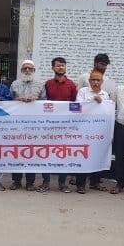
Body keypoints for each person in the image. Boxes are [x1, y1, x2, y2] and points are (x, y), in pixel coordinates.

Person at [37, 56, 78, 193]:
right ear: (53, 68)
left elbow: (74, 105)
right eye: (58, 65)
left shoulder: (72, 85)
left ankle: (62, 183)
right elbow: (44, 102)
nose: (61, 67)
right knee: (46, 153)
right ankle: (46, 182)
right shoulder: (47, 84)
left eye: (63, 65)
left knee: (64, 154)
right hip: (49, 125)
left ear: (66, 67)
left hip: (66, 126)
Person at [9, 59, 45, 191]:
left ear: (34, 70)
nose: (27, 70)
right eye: (25, 68)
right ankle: (16, 181)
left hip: (34, 126)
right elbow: (7, 101)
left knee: (32, 153)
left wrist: (37, 101)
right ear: (21, 71)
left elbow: (46, 102)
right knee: (16, 152)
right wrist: (16, 100)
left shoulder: (41, 85)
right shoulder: (14, 84)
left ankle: (30, 182)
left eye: (30, 68)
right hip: (17, 125)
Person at [75, 70, 111, 194]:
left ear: (102, 82)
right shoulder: (82, 92)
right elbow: (77, 107)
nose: (95, 82)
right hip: (84, 129)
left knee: (98, 155)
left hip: (99, 130)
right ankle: (80, 184)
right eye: (93, 79)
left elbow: (108, 113)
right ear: (89, 81)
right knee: (83, 156)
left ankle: (95, 183)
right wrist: (92, 99)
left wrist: (109, 132)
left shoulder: (105, 95)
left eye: (98, 80)